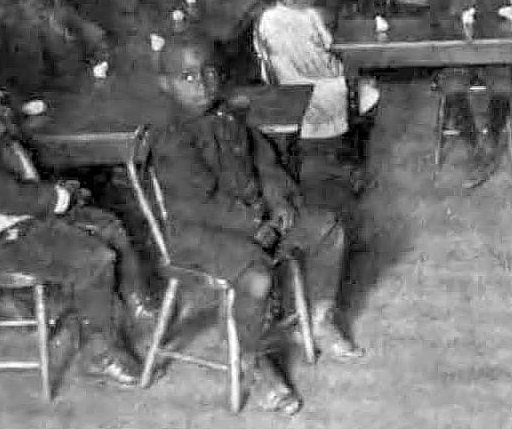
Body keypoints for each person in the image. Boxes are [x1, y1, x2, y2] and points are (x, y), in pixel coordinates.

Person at [149, 37, 366, 415]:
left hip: (254, 216)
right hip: (201, 233)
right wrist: (257, 222)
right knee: (257, 279)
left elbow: (264, 163)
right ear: (165, 84)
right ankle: (252, 359)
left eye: (209, 72)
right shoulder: (173, 138)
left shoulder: (229, 114)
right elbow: (199, 205)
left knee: (326, 228)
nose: (201, 83)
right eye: (187, 77)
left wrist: (279, 199)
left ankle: (317, 318)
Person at [0, 38, 146, 385]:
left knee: (108, 224)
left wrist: (57, 194)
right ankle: (100, 352)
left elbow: (11, 181)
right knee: (93, 258)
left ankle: (136, 302)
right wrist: (59, 198)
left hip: (13, 222)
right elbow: (7, 196)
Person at [255, 0, 380, 149]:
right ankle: (354, 150)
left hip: (283, 89)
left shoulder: (266, 18)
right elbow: (323, 54)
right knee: (370, 90)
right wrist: (343, 73)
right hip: (315, 92)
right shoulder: (310, 16)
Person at [428, 0, 510, 189]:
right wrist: (454, 22)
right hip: (454, 54)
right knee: (453, 83)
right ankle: (471, 143)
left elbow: (502, 20)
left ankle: (493, 137)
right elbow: (434, 21)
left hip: (490, 53)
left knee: (501, 80)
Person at [0, 0, 110, 101]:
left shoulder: (60, 17)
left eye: (37, 4)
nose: (35, 8)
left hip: (75, 85)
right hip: (37, 96)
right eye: (26, 2)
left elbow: (95, 39)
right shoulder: (10, 32)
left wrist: (98, 69)